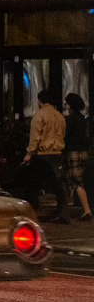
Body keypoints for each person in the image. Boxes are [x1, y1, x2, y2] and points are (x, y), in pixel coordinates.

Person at [24, 89, 69, 224]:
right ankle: (63, 213)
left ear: (40, 100)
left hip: (43, 155)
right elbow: (63, 134)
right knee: (59, 185)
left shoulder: (39, 115)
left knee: (33, 184)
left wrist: (28, 154)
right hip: (58, 153)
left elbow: (35, 138)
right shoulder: (59, 116)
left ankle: (32, 212)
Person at [64, 93, 92, 222]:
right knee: (74, 181)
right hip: (83, 152)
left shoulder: (70, 120)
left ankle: (86, 210)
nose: (65, 105)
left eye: (67, 103)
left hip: (73, 152)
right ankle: (63, 209)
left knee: (75, 182)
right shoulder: (83, 119)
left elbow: (66, 136)